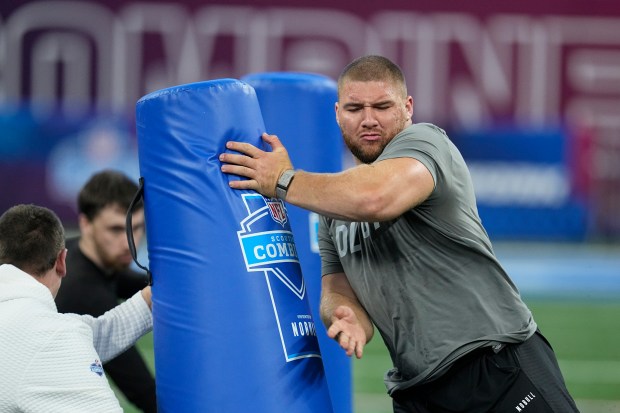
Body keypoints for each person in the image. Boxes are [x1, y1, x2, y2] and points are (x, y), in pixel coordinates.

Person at [219, 55, 580, 412]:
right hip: (417, 391)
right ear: (337, 114)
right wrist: (345, 314)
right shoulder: (333, 207)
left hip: (495, 366)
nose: (368, 119)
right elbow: (336, 288)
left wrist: (283, 180)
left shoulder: (426, 143)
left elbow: (375, 197)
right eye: (355, 108)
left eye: (382, 106)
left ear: (407, 108)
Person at [0, 204, 153, 412]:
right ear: (62, 261)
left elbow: (96, 334)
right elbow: (57, 342)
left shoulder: (25, 322)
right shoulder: (52, 336)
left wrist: (151, 298)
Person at [55, 170, 157, 412]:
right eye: (115, 229)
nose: (129, 241)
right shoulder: (83, 291)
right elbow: (146, 394)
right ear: (85, 223)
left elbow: (129, 281)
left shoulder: (77, 255)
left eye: (138, 227)